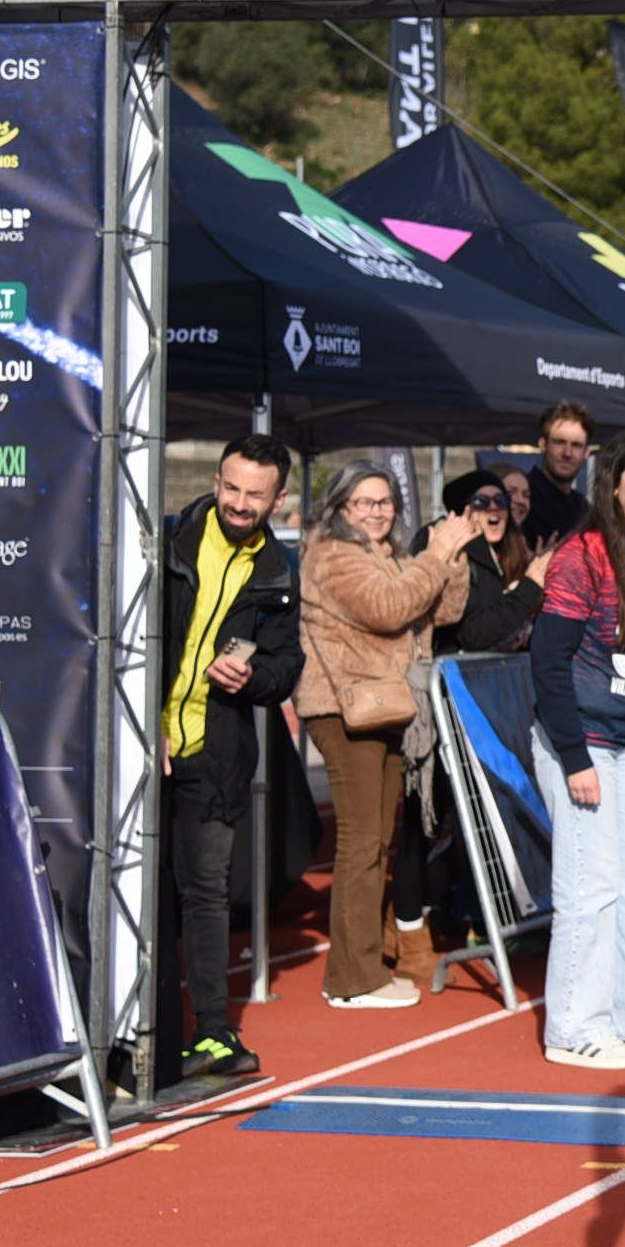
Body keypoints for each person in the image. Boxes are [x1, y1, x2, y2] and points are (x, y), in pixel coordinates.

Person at [528, 432, 625, 1070]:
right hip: (583, 741)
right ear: (614, 486)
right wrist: (574, 758)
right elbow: (548, 661)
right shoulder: (582, 555)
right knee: (589, 889)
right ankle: (572, 1026)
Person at [298, 463, 473, 1007]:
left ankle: (368, 963)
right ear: (340, 507)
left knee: (378, 841)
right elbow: (390, 608)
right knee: (360, 842)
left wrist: (453, 557)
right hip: (344, 708)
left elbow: (443, 611)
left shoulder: (390, 556)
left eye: (385, 502)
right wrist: (435, 555)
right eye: (364, 502)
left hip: (386, 706)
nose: (377, 512)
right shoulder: (333, 554)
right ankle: (352, 979)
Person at [157, 435, 303, 1078]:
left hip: (215, 751)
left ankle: (213, 1031)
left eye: (255, 494)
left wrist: (254, 678)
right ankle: (139, 1027)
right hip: (147, 740)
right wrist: (143, 727)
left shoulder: (277, 569)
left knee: (206, 891)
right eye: (232, 488)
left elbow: (286, 664)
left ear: (279, 498)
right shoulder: (169, 540)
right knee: (140, 887)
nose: (240, 503)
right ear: (216, 482)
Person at [427, 468, 540, 655]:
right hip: (451, 669)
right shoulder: (449, 549)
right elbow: (471, 634)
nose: (493, 507)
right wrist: (531, 585)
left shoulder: (506, 552)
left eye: (501, 500)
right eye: (481, 502)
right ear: (463, 510)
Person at [520, 402, 596, 546]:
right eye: (559, 442)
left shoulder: (584, 508)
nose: (567, 453)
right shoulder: (523, 497)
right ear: (543, 444)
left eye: (576, 445)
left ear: (586, 452)